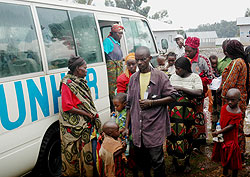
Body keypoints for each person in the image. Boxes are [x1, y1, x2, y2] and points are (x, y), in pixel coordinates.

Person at [124, 46, 178, 177]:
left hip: (154, 126)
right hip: (138, 128)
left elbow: (173, 96)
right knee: (143, 162)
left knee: (157, 161)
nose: (139, 63)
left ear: (149, 58)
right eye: (137, 60)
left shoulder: (160, 77)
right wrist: (127, 127)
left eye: (142, 59)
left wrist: (152, 103)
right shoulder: (133, 79)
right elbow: (129, 105)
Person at [59, 56, 101, 177]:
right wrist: (87, 114)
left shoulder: (79, 81)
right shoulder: (67, 83)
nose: (87, 70)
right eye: (85, 68)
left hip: (84, 123)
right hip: (72, 126)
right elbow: (67, 107)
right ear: (77, 69)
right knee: (73, 154)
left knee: (86, 153)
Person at [166, 57, 203, 173]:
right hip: (173, 114)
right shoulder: (173, 77)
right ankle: (174, 161)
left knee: (187, 136)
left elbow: (199, 92)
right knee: (172, 137)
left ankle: (187, 162)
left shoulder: (195, 77)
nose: (176, 71)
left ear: (186, 68)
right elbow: (168, 91)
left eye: (178, 69)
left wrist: (181, 88)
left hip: (188, 115)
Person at [219, 40, 250, 164]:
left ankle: (233, 154)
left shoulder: (236, 63)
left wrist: (221, 93)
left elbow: (229, 83)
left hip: (233, 100)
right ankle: (240, 152)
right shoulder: (244, 62)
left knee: (231, 127)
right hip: (241, 98)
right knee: (239, 126)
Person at [185, 36, 213, 144]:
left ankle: (199, 139)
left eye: (189, 51)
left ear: (196, 49)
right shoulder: (183, 58)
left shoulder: (203, 60)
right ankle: (188, 138)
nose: (187, 53)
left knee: (199, 114)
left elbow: (210, 77)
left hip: (199, 94)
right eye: (185, 50)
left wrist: (197, 80)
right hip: (185, 92)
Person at [212, 88, 242, 177]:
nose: (229, 102)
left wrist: (218, 132)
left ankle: (234, 174)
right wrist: (217, 127)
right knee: (224, 156)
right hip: (223, 137)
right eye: (228, 99)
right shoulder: (224, 108)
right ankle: (225, 173)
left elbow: (231, 126)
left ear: (239, 100)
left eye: (232, 100)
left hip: (231, 139)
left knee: (233, 159)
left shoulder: (238, 113)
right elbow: (221, 119)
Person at [112, 93, 139, 176]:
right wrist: (115, 114)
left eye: (117, 106)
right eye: (114, 106)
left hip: (127, 138)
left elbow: (126, 127)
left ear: (125, 104)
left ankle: (134, 170)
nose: (115, 108)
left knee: (130, 154)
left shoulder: (127, 113)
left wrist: (117, 132)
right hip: (121, 137)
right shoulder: (120, 111)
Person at [103, 24, 124, 111]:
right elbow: (105, 55)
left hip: (118, 69)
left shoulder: (117, 42)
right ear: (113, 33)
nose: (121, 35)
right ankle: (114, 108)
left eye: (122, 33)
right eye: (119, 33)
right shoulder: (108, 41)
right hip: (112, 70)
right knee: (112, 89)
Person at [209, 55, 220, 130]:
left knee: (218, 109)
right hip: (213, 93)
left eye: (215, 64)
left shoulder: (219, 69)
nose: (214, 65)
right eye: (212, 64)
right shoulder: (210, 71)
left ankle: (217, 126)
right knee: (213, 109)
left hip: (218, 93)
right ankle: (213, 126)